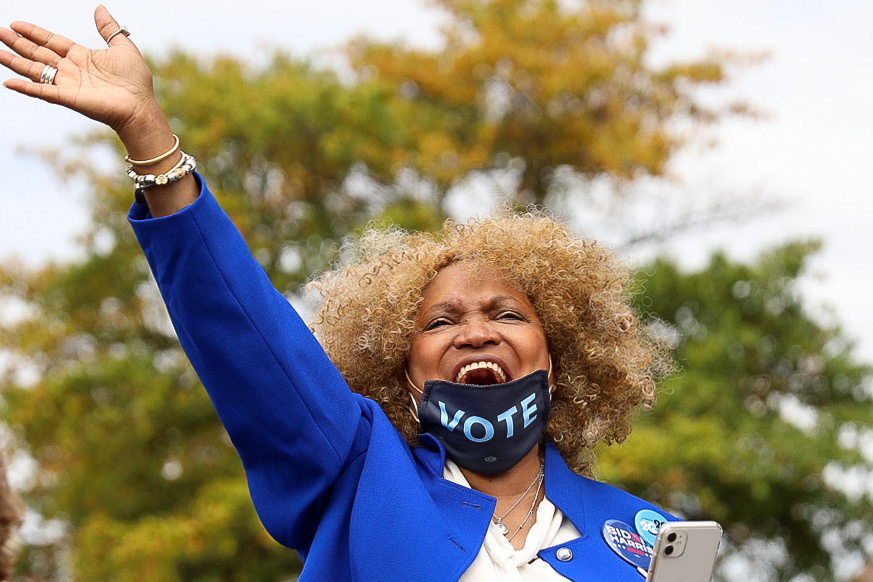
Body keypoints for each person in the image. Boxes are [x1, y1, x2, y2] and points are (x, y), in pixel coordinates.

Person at [1, 8, 676, 581]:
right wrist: (150, 140)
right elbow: (250, 342)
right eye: (439, 322)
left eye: (505, 313)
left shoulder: (649, 537)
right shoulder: (358, 472)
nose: (475, 331)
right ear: (401, 370)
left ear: (554, 359)